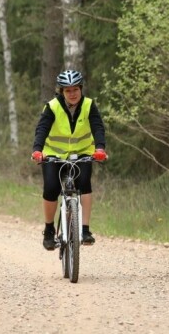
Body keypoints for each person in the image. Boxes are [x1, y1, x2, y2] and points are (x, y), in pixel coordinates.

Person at [31, 69, 108, 250]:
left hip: (82, 153)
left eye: (75, 90)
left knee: (85, 183)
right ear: (62, 92)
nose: (72, 94)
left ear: (81, 89)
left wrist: (100, 148)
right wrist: (37, 150)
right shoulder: (52, 107)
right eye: (68, 90)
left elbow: (98, 128)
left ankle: (85, 230)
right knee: (51, 187)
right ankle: (49, 230)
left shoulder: (89, 105)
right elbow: (41, 129)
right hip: (54, 154)